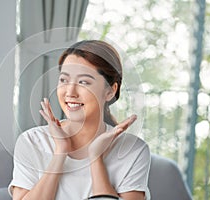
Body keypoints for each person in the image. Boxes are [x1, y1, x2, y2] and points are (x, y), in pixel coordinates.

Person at [8, 40, 151, 200]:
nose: (70, 92)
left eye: (83, 82)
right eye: (64, 80)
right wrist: (60, 152)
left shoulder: (132, 150)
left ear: (110, 91)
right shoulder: (32, 141)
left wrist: (96, 158)